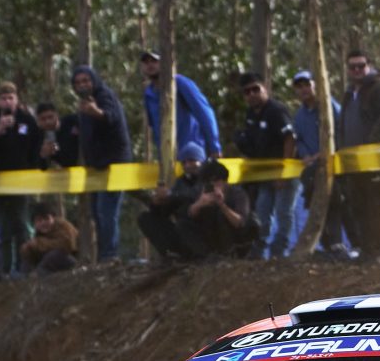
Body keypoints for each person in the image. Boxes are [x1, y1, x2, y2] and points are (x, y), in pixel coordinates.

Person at [334, 47, 380, 259]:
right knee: (358, 203)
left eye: (361, 66)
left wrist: (372, 143)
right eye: (352, 67)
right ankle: (366, 249)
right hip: (353, 160)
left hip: (376, 157)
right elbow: (343, 123)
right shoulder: (349, 93)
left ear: (369, 65)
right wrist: (341, 149)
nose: (357, 70)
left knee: (377, 202)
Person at [0, 82, 42, 278]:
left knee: (20, 225)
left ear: (17, 100)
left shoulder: (27, 120)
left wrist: (34, 171)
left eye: (10, 98)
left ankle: (24, 267)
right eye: (3, 98)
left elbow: (36, 147)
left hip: (19, 181)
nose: (7, 102)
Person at [138, 154, 259, 262]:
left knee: (228, 217)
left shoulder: (238, 194)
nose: (212, 186)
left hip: (233, 240)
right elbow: (188, 214)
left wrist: (223, 206)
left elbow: (239, 222)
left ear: (224, 181)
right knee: (183, 225)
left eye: (215, 181)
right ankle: (204, 257)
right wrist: (199, 204)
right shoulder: (199, 191)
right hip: (209, 239)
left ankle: (230, 255)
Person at [70, 64, 133, 261]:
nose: (82, 85)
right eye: (78, 82)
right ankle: (104, 256)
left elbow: (110, 117)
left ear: (94, 81)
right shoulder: (83, 106)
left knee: (107, 211)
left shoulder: (104, 95)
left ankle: (110, 256)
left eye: (86, 80)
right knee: (98, 213)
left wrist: (96, 112)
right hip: (97, 166)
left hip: (114, 164)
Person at [234, 73, 296, 260]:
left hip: (283, 171)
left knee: (283, 213)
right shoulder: (250, 114)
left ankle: (279, 252)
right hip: (263, 174)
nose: (252, 94)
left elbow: (290, 139)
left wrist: (284, 172)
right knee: (261, 213)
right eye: (247, 92)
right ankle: (258, 251)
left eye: (255, 89)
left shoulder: (276, 110)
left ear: (265, 88)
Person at [139, 49, 221, 162]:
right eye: (146, 62)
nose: (150, 65)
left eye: (154, 61)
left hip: (194, 155)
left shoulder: (180, 83)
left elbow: (204, 113)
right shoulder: (148, 94)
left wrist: (214, 147)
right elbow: (155, 129)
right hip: (169, 158)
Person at [289, 69, 337, 255]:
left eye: (307, 85)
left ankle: (341, 244)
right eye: (299, 87)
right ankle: (326, 245)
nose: (303, 89)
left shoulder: (329, 106)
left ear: (315, 85)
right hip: (312, 170)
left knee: (337, 206)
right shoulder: (300, 115)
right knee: (315, 206)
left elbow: (340, 131)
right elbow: (299, 140)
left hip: (334, 167)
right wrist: (306, 156)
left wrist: (323, 154)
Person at [21, 202, 80, 274]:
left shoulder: (63, 225)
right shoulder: (39, 233)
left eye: (46, 218)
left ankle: (37, 273)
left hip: (72, 259)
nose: (43, 223)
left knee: (54, 255)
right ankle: (25, 276)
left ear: (53, 218)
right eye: (39, 220)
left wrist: (39, 243)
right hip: (51, 265)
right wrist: (28, 248)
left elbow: (67, 245)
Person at [37, 101, 80, 169]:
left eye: (50, 117)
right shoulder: (40, 135)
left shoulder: (71, 122)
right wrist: (44, 155)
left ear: (56, 115)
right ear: (38, 120)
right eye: (43, 119)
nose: (47, 122)